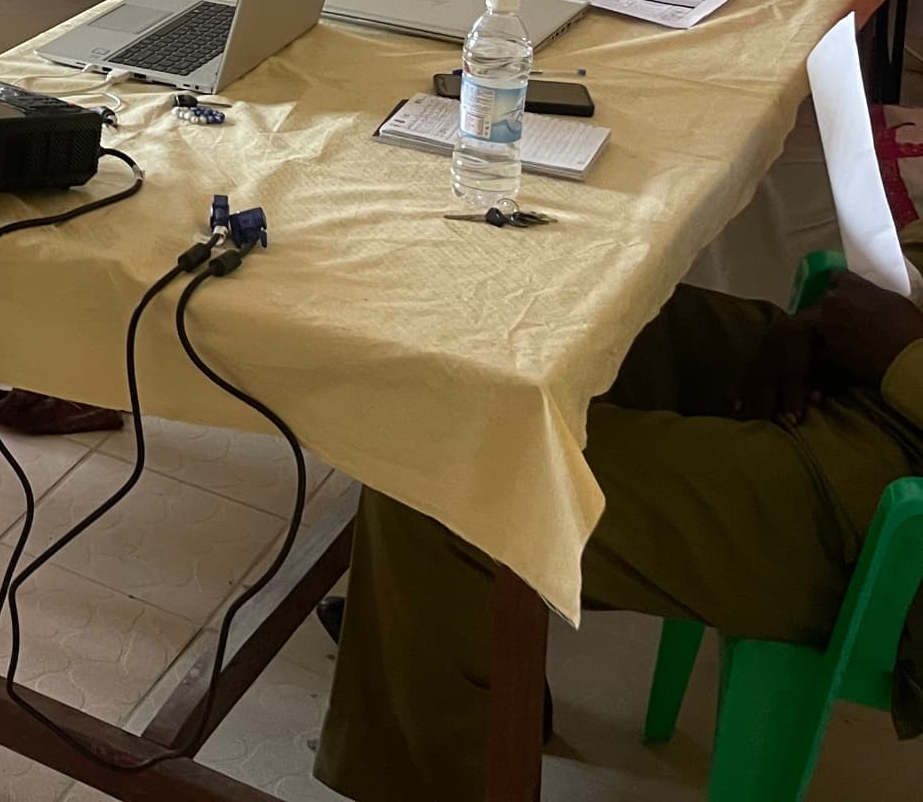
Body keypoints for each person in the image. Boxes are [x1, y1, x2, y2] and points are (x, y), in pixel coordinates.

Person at [315, 222, 923, 800]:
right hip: (883, 391)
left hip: (893, 500)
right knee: (548, 326)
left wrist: (900, 354)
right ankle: (483, 685)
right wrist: (828, 322)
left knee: (444, 478)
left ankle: (440, 734)